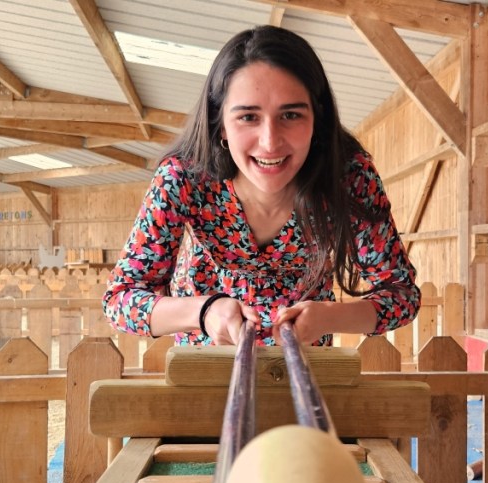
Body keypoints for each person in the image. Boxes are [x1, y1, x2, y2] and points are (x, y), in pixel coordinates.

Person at [103, 25, 420, 346]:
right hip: (207, 351)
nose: (270, 142)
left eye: (291, 115)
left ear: (317, 119)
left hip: (305, 354)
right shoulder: (183, 177)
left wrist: (327, 316)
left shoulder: (348, 175)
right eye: (248, 117)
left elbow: (402, 294)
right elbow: (120, 300)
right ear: (221, 125)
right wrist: (204, 311)